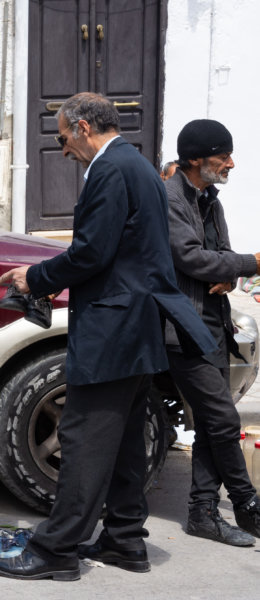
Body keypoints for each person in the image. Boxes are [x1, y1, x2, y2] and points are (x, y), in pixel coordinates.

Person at [0, 92, 215, 581]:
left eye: (64, 135)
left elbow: (92, 252)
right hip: (136, 326)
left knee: (85, 436)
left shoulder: (112, 170)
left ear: (85, 126)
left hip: (114, 328)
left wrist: (36, 277)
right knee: (127, 440)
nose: (63, 146)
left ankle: (56, 550)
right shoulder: (139, 167)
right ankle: (125, 540)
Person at [164, 119, 260, 546]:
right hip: (182, 327)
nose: (232, 164)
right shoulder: (168, 199)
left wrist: (229, 271)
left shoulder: (210, 200)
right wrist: (249, 263)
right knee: (223, 420)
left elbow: (217, 257)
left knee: (209, 420)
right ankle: (247, 503)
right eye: (224, 156)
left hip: (213, 322)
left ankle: (203, 512)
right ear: (197, 159)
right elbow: (190, 259)